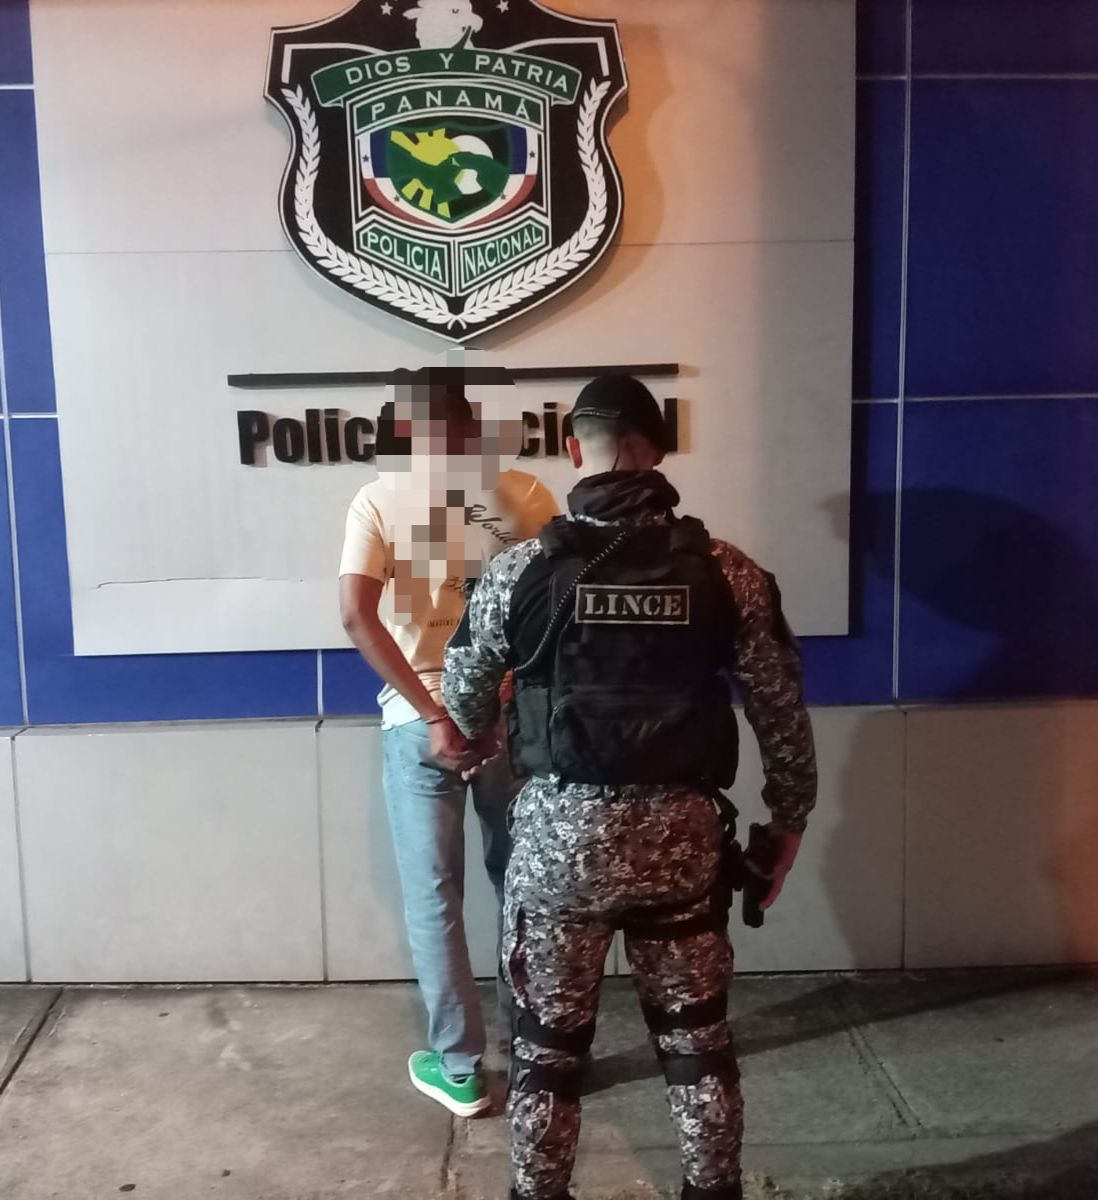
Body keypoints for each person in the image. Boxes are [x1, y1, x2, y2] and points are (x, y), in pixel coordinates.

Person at [442, 375, 817, 1199]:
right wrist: (786, 823)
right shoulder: (726, 572)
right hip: (681, 846)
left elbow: (463, 699)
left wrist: (485, 735)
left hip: (556, 851)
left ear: (575, 448)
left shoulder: (518, 572)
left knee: (548, 1053)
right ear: (659, 450)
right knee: (697, 1045)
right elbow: (781, 712)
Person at [339, 368, 558, 1118]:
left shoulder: (377, 500)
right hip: (508, 720)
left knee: (434, 894)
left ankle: (461, 1069)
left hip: (418, 725)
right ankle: (536, 1052)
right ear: (469, 425)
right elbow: (555, 610)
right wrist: (499, 696)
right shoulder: (524, 495)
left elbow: (355, 616)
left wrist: (437, 714)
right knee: (522, 885)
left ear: (405, 428)